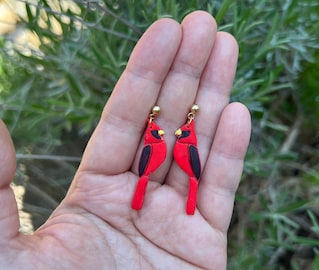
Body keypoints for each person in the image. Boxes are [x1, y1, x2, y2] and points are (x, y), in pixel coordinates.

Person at [0, 11, 251, 269]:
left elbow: (189, 165)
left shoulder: (182, 145)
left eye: (181, 132)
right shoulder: (158, 144)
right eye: (161, 132)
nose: (171, 133)